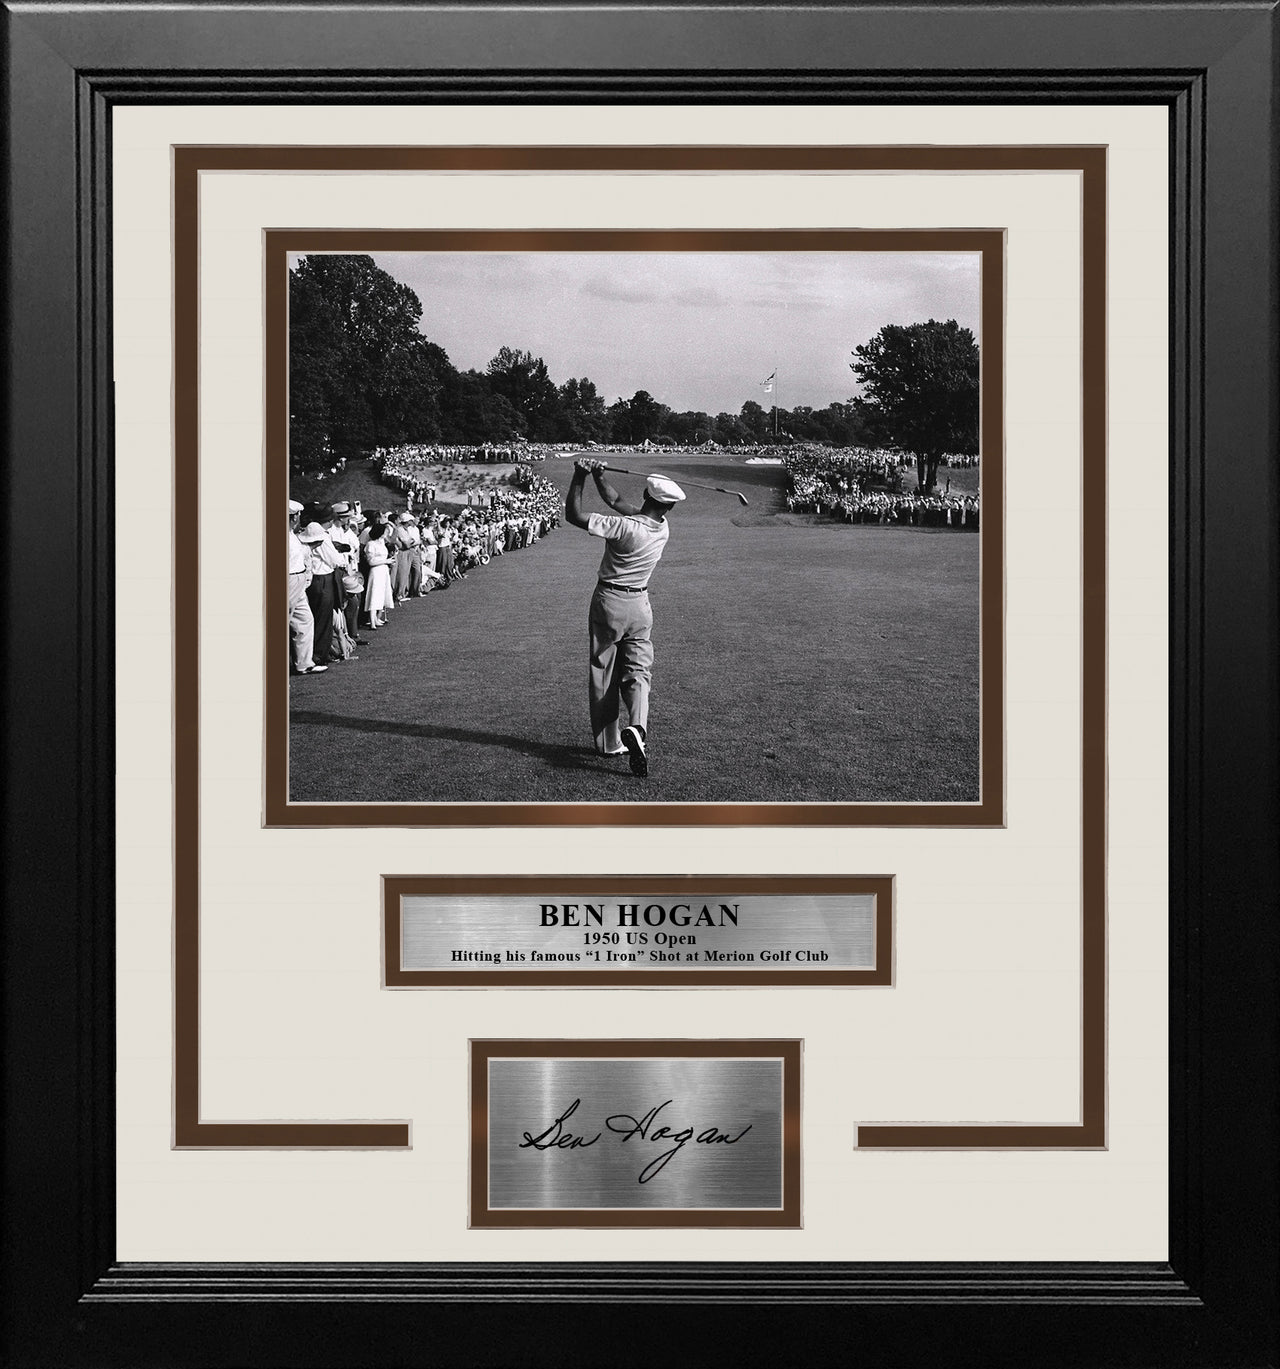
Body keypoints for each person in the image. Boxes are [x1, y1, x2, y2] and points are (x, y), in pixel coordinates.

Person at [565, 458, 685, 776]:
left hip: (609, 602)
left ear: (646, 495)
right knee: (638, 672)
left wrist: (580, 476)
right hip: (640, 605)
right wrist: (601, 477)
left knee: (603, 672)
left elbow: (574, 515)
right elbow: (617, 500)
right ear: (668, 507)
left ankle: (609, 743)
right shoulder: (662, 528)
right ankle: (638, 728)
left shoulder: (623, 527)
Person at [287, 499, 325, 675]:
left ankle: (304, 663)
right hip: (289, 581)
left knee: (305, 620)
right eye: (297, 516)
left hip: (298, 579)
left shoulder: (291, 535)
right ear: (293, 518)